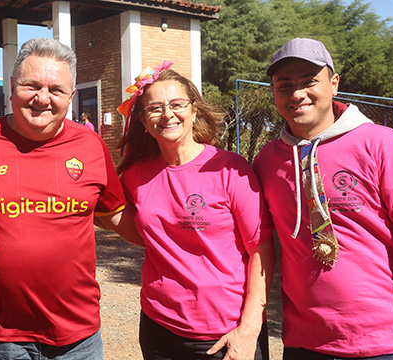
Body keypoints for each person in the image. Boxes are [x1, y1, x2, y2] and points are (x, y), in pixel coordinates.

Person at [253, 37, 393, 360]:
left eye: (309, 82)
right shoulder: (267, 162)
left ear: (334, 84)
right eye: (284, 85)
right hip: (303, 347)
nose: (297, 94)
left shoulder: (382, 145)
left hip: (384, 347)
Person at [0, 38, 127, 360]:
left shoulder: (91, 145)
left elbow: (115, 216)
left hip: (78, 337)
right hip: (0, 337)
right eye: (31, 86)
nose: (43, 99)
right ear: (12, 86)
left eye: (56, 90)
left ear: (70, 95)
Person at [108, 61, 275, 360]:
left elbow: (261, 249)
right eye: (155, 108)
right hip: (159, 329)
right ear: (144, 121)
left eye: (177, 104)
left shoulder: (230, 169)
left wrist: (249, 329)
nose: (167, 114)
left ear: (194, 109)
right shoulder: (134, 176)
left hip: (225, 332)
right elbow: (138, 228)